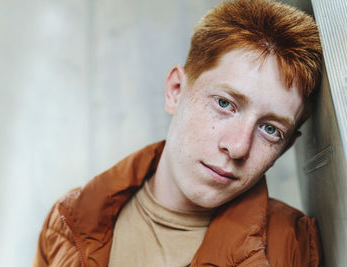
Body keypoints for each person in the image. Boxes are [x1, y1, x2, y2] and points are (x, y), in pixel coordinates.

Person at [33, 0, 323, 266]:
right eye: (224, 104)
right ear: (175, 91)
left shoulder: (293, 247)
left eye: (270, 129)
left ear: (283, 149)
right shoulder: (68, 220)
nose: (237, 147)